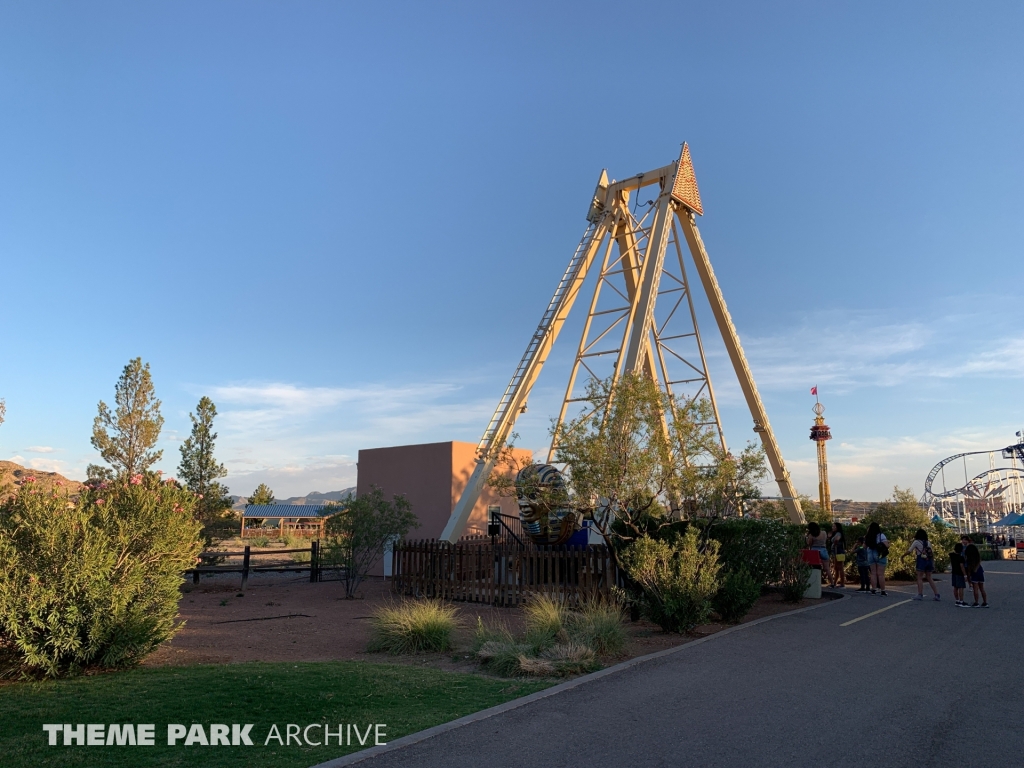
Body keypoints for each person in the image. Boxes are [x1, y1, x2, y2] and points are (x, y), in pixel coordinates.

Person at [908, 528, 939, 601]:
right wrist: (933, 562)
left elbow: (909, 551)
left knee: (919, 577)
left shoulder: (916, 542)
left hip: (921, 560)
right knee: (929, 577)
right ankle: (936, 594)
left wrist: (903, 556)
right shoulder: (928, 542)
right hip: (929, 560)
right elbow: (931, 553)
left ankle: (920, 594)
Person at [962, 535, 989, 608]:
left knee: (975, 588)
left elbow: (969, 569)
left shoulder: (969, 560)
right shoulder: (977, 558)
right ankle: (985, 602)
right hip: (980, 572)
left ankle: (976, 602)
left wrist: (968, 576)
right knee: (982, 588)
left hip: (974, 573)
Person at [865, 521, 889, 595]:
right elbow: (887, 545)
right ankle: (883, 591)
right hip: (879, 554)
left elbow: (864, 546)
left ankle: (874, 589)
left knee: (873, 573)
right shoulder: (881, 535)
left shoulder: (867, 536)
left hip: (870, 554)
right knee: (881, 574)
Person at [828, 522, 847, 588]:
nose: (832, 528)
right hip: (837, 552)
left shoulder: (838, 534)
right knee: (837, 567)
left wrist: (834, 541)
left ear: (837, 527)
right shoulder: (837, 533)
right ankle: (835, 582)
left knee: (840, 567)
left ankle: (842, 583)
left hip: (839, 552)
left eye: (834, 526)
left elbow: (837, 539)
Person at [950, 542, 967, 607]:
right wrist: (965, 575)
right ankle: (961, 601)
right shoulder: (961, 557)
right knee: (961, 587)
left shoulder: (952, 556)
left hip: (954, 572)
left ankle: (957, 600)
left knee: (955, 587)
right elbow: (962, 566)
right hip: (959, 573)